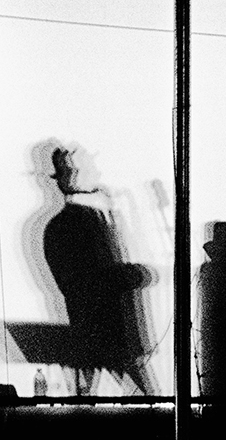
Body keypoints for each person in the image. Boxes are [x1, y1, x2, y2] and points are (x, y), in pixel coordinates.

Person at [42, 147, 157, 395]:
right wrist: (135, 274)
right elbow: (84, 283)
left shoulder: (86, 218)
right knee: (142, 401)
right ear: (69, 176)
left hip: (107, 336)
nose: (96, 174)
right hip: (99, 335)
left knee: (134, 400)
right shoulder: (67, 225)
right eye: (84, 168)